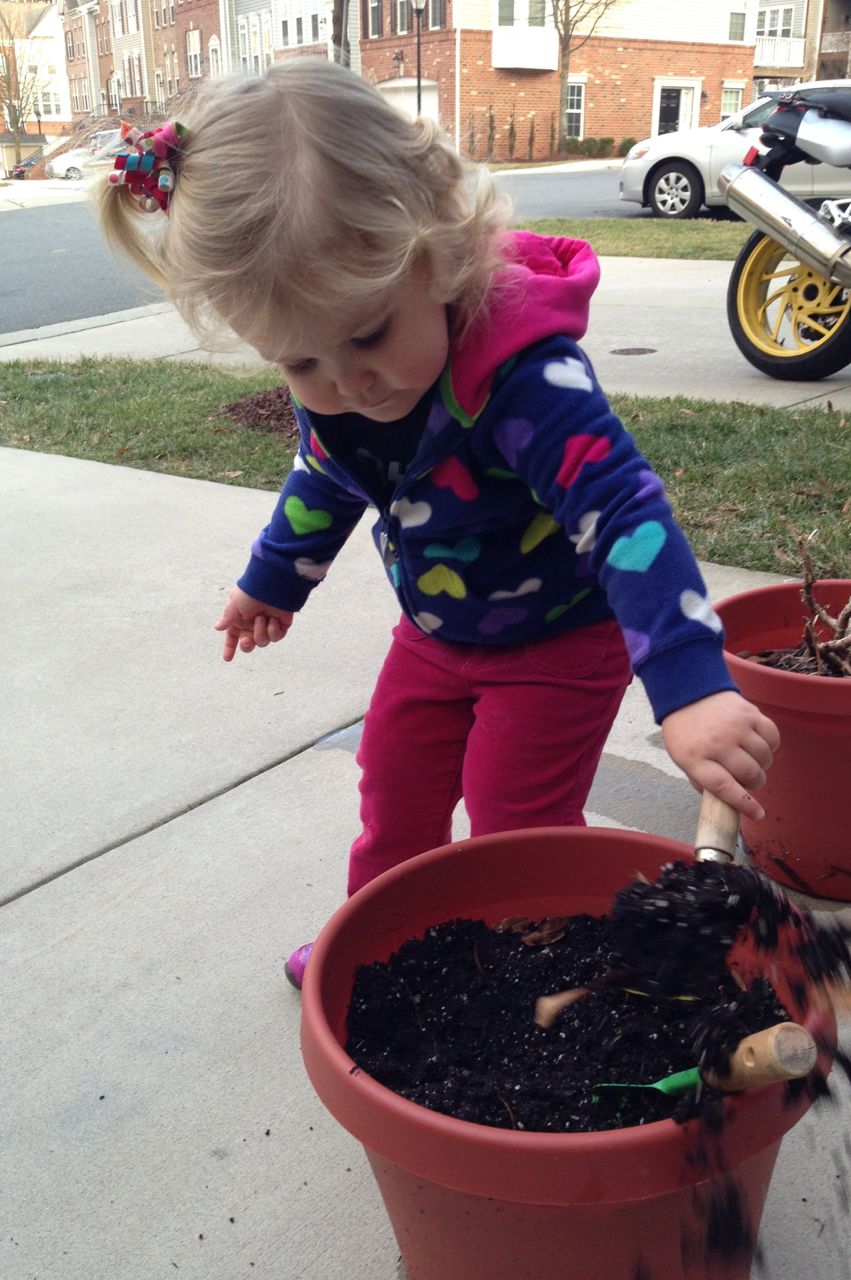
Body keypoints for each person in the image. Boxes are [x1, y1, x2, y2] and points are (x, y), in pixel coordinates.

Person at [97, 58, 779, 989]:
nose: (346, 384)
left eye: (368, 335)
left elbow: (623, 511)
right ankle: (384, 945)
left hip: (557, 643)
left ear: (439, 251)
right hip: (434, 635)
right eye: (299, 362)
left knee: (514, 822)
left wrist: (689, 683)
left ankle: (535, 981)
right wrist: (273, 577)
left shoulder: (528, 380)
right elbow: (328, 471)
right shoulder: (342, 382)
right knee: (395, 796)